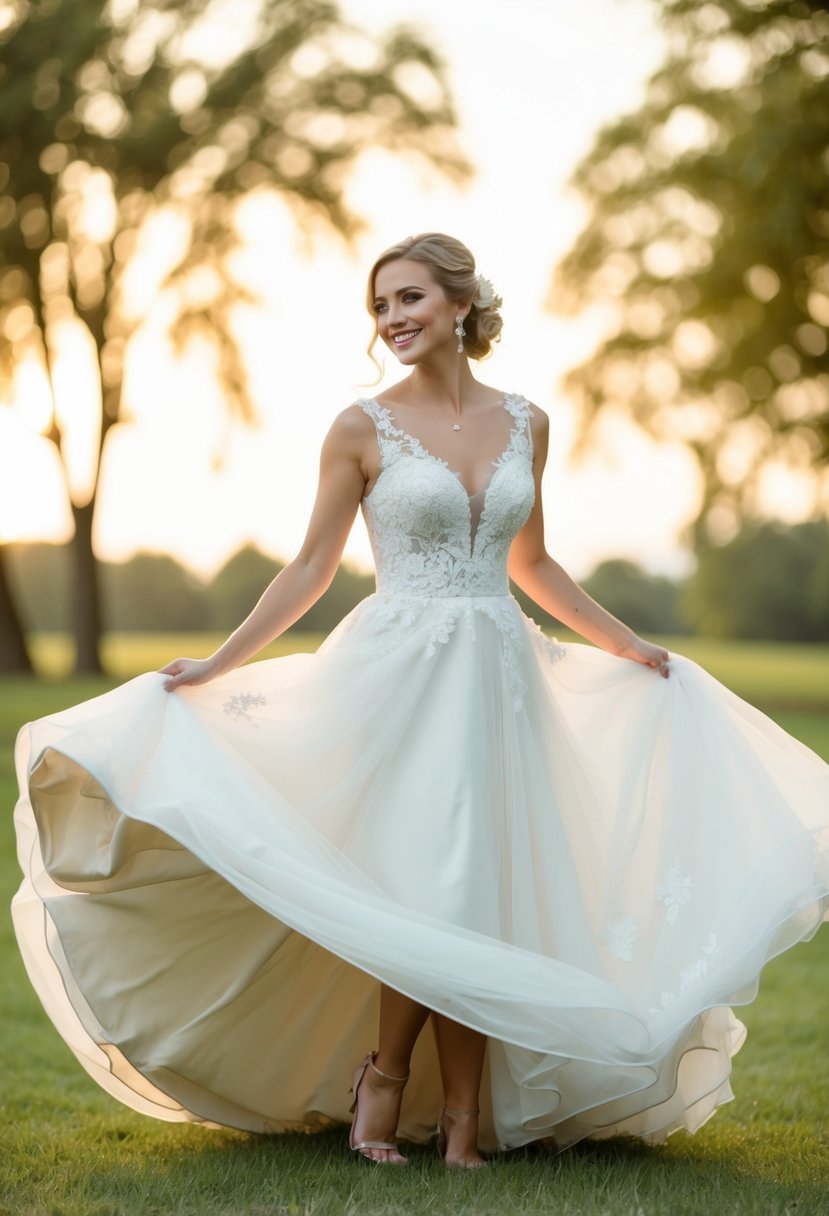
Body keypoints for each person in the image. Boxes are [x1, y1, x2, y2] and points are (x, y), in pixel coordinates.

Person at [12, 234, 829, 1171]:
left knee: (477, 891)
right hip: (397, 678)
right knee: (427, 889)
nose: (393, 320)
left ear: (460, 302)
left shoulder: (529, 421)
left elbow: (532, 564)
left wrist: (631, 647)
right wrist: (221, 661)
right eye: (379, 308)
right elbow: (312, 566)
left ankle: (463, 1129)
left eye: (409, 299)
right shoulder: (359, 428)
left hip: (501, 681)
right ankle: (389, 1084)